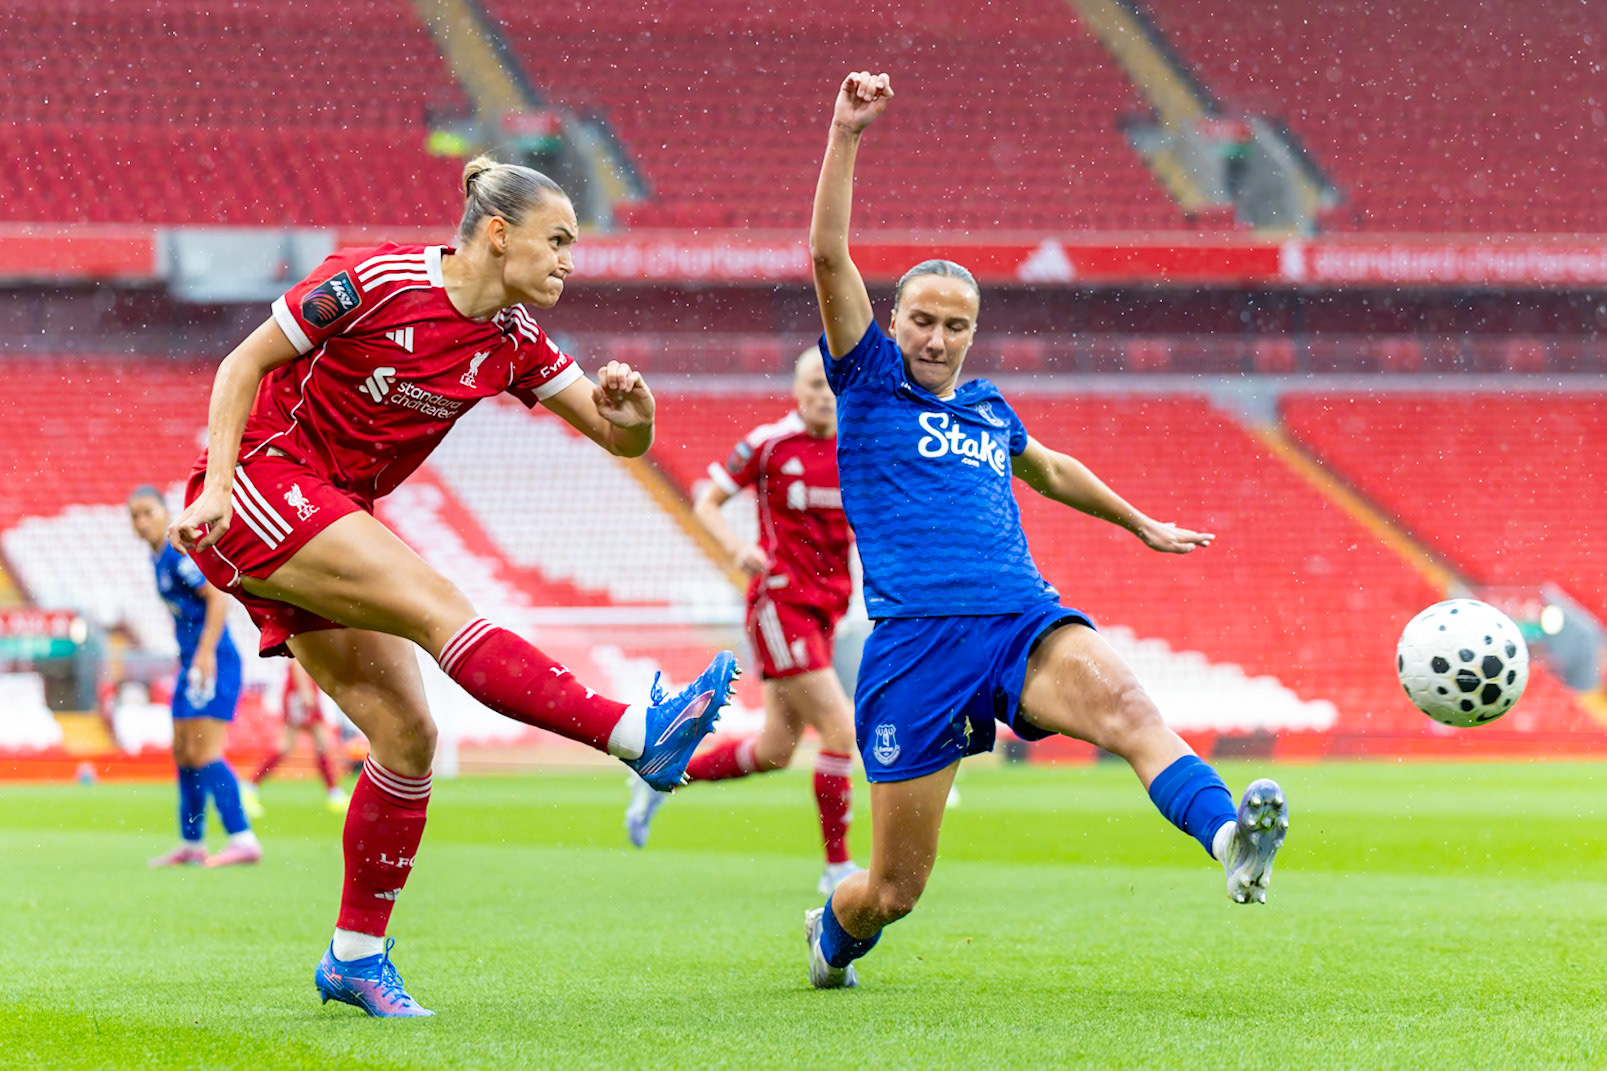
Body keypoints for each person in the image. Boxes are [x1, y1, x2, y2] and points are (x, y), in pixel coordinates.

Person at [168, 155, 738, 1018]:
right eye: (557, 241)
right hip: (259, 475)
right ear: (498, 234)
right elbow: (241, 364)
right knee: (442, 607)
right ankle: (633, 734)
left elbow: (617, 437)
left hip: (330, 508)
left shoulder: (511, 338)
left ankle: (354, 957)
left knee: (406, 736)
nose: (567, 262)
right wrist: (215, 487)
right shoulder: (373, 279)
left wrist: (639, 414)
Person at [801, 72, 1289, 990]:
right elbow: (829, 257)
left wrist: (1137, 522)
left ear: (972, 333)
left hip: (1021, 617)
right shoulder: (867, 382)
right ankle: (833, 934)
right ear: (892, 319)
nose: (937, 339)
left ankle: (1229, 838)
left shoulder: (987, 409)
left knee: (1131, 711)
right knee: (895, 890)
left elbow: (1049, 467)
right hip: (915, 646)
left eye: (955, 325)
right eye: (921, 320)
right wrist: (846, 133)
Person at [626, 350, 861, 894]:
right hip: (780, 604)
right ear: (796, 390)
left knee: (775, 751)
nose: (824, 392)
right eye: (813, 383)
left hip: (827, 608)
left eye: (832, 384)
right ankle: (837, 868)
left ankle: (663, 779)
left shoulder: (856, 446)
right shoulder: (769, 444)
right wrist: (737, 550)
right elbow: (706, 502)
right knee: (839, 729)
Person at [128, 486, 262, 869]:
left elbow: (217, 596)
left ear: (162, 512)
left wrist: (204, 653)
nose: (141, 521)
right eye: (134, 516)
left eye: (147, 512)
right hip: (192, 662)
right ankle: (191, 843)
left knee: (204, 752)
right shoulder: (156, 558)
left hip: (214, 659)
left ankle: (243, 838)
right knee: (183, 753)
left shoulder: (176, 553)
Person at [240, 659, 349, 817]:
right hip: (300, 692)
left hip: (301, 689)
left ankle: (334, 793)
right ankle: (249, 786)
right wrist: (304, 690)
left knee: (316, 743)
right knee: (301, 744)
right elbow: (297, 659)